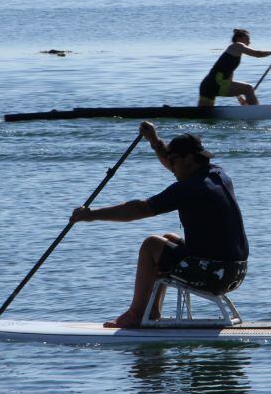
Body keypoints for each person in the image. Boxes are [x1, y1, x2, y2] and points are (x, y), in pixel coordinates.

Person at [69, 122, 248, 328]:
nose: (170, 168)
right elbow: (172, 163)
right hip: (236, 272)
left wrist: (91, 215)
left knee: (151, 245)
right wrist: (154, 141)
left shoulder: (190, 188)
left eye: (174, 161)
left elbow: (140, 209)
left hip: (214, 274)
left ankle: (136, 314)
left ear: (189, 158)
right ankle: (151, 311)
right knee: (169, 238)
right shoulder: (218, 174)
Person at [198, 28, 271, 106]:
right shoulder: (237, 45)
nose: (249, 42)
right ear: (239, 39)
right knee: (248, 88)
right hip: (216, 84)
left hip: (207, 85)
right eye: (247, 39)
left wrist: (240, 99)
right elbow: (257, 54)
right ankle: (256, 112)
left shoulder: (231, 56)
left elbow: (229, 81)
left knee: (204, 115)